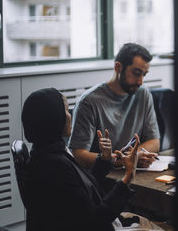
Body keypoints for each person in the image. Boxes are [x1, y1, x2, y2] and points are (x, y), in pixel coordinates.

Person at [22, 88, 144, 231]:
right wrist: (128, 176)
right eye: (67, 110)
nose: (70, 115)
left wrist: (104, 159)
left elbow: (80, 190)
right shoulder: (54, 166)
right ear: (54, 118)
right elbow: (95, 221)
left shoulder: (47, 152)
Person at [69, 43, 160, 168]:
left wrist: (132, 156)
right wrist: (122, 160)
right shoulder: (89, 102)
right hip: (102, 177)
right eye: (136, 73)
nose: (140, 81)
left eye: (144, 74)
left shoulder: (143, 93)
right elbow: (78, 155)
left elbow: (154, 141)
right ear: (118, 67)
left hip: (131, 172)